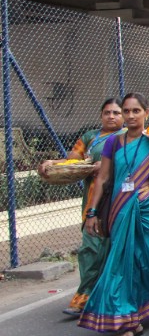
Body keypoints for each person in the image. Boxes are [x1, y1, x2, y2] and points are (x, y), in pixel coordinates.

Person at [78, 93, 149, 336]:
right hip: (121, 207)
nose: (129, 116)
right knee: (124, 263)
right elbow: (103, 178)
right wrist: (92, 212)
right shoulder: (114, 143)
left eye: (135, 111)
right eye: (126, 111)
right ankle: (128, 317)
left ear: (147, 112)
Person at [39, 99, 125, 316]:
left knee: (119, 248)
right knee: (91, 248)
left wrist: (106, 165)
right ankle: (85, 294)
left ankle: (112, 296)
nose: (111, 116)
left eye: (116, 112)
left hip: (120, 198)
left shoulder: (128, 136)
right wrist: (52, 163)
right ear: (101, 115)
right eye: (107, 112)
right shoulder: (91, 137)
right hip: (94, 201)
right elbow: (73, 162)